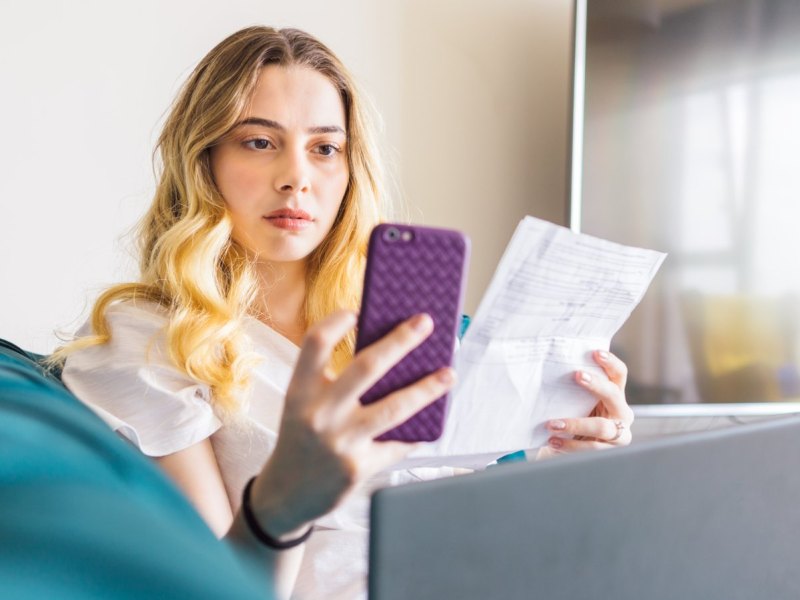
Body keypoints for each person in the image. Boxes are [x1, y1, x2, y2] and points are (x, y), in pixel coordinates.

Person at [55, 26, 634, 599]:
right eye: (259, 141)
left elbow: (492, 530)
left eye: (325, 148)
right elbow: (217, 589)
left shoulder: (393, 328)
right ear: (202, 160)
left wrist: (569, 461)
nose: (296, 178)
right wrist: (285, 501)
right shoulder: (146, 339)